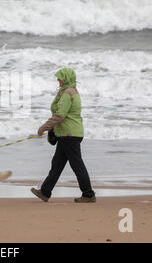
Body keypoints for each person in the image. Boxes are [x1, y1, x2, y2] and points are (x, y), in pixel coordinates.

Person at [31, 67, 96, 203]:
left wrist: (43, 128)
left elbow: (60, 115)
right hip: (69, 134)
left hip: (69, 134)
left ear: (66, 78)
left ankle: (88, 194)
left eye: (60, 78)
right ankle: (45, 191)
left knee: (77, 165)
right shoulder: (73, 91)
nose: (58, 80)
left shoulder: (67, 93)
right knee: (57, 164)